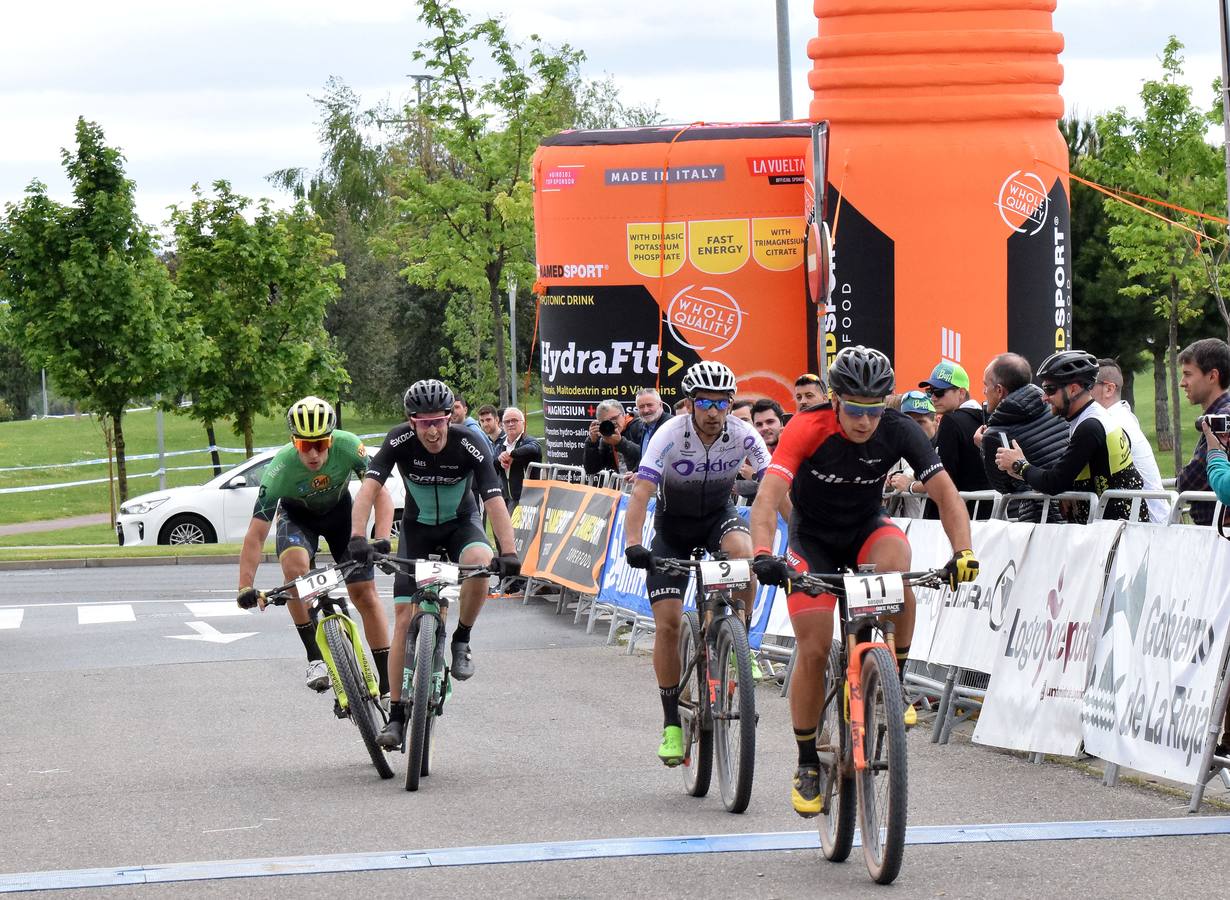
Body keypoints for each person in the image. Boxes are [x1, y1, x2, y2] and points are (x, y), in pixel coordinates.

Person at [748, 346, 977, 818]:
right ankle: (807, 761)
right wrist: (764, 554)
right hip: (812, 541)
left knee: (898, 562)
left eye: (874, 410)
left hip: (865, 531)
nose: (865, 421)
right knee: (813, 649)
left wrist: (964, 551)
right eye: (854, 410)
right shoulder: (807, 426)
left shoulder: (899, 428)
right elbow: (767, 500)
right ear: (835, 401)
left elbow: (946, 494)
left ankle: (894, 675)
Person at [348, 379, 521, 750]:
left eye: (438, 421)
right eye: (423, 423)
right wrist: (358, 536)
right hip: (418, 530)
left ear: (449, 417)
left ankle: (462, 638)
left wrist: (508, 551)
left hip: (462, 525)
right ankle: (397, 716)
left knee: (480, 561)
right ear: (411, 421)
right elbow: (369, 489)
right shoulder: (399, 440)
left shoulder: (470, 442)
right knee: (403, 619)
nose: (431, 430)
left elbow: (494, 501)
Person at [623, 361, 772, 766]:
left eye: (722, 403)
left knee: (744, 553)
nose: (713, 411)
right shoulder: (669, 434)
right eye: (705, 403)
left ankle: (740, 642)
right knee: (669, 624)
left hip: (717, 518)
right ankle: (671, 723)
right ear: (690, 403)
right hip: (673, 529)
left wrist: (796, 537)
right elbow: (642, 490)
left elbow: (774, 485)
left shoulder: (743, 433)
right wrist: (634, 543)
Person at [236, 397, 394, 695]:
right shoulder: (279, 469)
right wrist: (245, 586)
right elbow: (256, 534)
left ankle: (387, 685)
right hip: (298, 519)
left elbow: (380, 494)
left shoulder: (349, 446)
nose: (312, 453)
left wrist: (382, 539)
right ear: (292, 442)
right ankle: (315, 657)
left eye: (320, 445)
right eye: (304, 445)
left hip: (341, 516)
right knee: (295, 572)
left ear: (331, 440)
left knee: (364, 593)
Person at [994, 350, 1147, 522]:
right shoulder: (1090, 418)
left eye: (1050, 389)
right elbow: (1070, 474)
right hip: (1114, 526)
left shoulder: (1090, 426)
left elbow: (1054, 482)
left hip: (1115, 530)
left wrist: (1019, 465)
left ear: (1073, 389)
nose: (1044, 397)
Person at [973, 353, 1070, 523]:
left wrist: (984, 447)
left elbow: (1005, 487)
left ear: (999, 390)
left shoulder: (995, 434)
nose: (984, 391)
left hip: (1041, 518)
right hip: (1076, 511)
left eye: (986, 385)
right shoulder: (1055, 407)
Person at [1094, 359, 1167, 523]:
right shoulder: (1122, 416)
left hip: (1149, 525)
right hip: (1154, 520)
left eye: (1088, 385)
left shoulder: (1112, 423)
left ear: (1109, 389)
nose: (1082, 392)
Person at [919, 361, 989, 517]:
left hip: (956, 518)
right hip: (988, 516)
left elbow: (941, 479)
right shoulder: (987, 418)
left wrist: (909, 486)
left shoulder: (951, 421)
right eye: (930, 392)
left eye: (939, 392)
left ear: (961, 393)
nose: (933, 398)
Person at [1176, 338, 1230, 526]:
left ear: (1212, 376)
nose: (1182, 383)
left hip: (1220, 532)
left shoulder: (1222, 420)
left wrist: (1181, 479)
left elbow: (1188, 482)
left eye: (1188, 374)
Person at [885, 390, 937, 517]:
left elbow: (945, 481)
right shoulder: (896, 446)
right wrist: (889, 481)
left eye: (920, 422)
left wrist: (909, 485)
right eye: (909, 422)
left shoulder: (943, 443)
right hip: (907, 521)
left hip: (930, 522)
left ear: (936, 421)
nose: (914, 428)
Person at [495, 406, 542, 512]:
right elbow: (493, 465)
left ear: (523, 423)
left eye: (514, 420)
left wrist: (512, 455)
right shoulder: (500, 445)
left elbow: (534, 448)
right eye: (507, 421)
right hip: (508, 500)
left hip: (529, 500)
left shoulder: (529, 440)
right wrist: (500, 460)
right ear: (502, 425)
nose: (510, 424)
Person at [583, 398, 641, 476]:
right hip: (623, 481)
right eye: (607, 422)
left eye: (614, 418)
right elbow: (591, 469)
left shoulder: (639, 426)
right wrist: (592, 442)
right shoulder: (606, 437)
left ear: (624, 414)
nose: (613, 423)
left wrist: (620, 443)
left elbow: (645, 456)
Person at [623, 388, 673, 457]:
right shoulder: (641, 427)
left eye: (649, 405)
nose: (646, 410)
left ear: (660, 404)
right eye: (641, 407)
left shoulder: (672, 425)